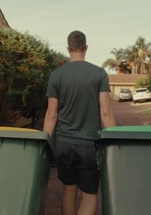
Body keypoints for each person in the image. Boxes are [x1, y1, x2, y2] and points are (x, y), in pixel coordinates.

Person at [43, 30, 116, 215]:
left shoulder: (56, 75)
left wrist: (44, 143)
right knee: (89, 194)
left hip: (63, 145)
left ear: (68, 49)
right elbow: (106, 112)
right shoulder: (99, 74)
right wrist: (115, 143)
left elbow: (51, 114)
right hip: (89, 146)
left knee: (68, 189)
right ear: (86, 48)